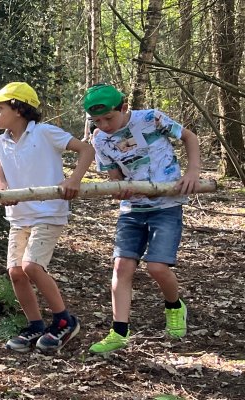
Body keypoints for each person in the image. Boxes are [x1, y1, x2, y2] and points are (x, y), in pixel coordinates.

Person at [83, 84, 201, 354]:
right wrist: (119, 188)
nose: (104, 125)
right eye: (97, 121)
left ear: (123, 107)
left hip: (166, 204)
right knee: (121, 267)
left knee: (157, 267)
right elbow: (114, 176)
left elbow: (190, 138)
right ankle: (119, 332)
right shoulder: (99, 139)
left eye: (108, 118)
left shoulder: (150, 118)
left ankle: (174, 306)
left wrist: (192, 172)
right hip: (132, 209)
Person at [0, 82, 94, 353]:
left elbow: (86, 150)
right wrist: (2, 192)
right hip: (19, 216)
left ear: (19, 109)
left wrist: (74, 179)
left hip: (48, 212)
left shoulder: (44, 133)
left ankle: (64, 319)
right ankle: (35, 324)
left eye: (0, 108)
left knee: (32, 266)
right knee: (16, 272)